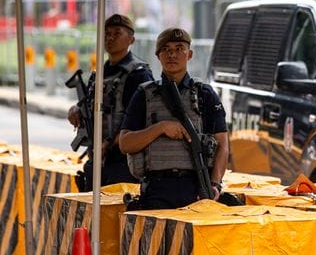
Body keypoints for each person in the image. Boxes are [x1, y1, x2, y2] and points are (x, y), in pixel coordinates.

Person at [119, 28, 229, 210]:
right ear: (158, 56)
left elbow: (222, 145)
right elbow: (125, 144)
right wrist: (160, 128)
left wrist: (215, 185)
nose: (172, 54)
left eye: (179, 48)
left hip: (196, 188)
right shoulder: (144, 94)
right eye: (166, 49)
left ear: (190, 54)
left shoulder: (204, 94)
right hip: (157, 189)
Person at [67, 14, 153, 191]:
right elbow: (91, 107)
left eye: (116, 33)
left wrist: (109, 143)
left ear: (131, 39)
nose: (110, 38)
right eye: (106, 34)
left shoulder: (138, 74)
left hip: (125, 163)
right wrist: (76, 110)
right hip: (98, 159)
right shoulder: (100, 72)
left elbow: (138, 118)